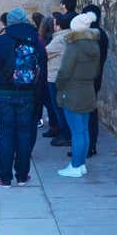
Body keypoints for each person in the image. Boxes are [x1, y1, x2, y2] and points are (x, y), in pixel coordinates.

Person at [0, 7, 47, 188]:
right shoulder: (36, 41)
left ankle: (4, 177)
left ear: (9, 22)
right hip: (28, 94)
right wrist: (39, 97)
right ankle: (22, 175)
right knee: (25, 134)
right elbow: (42, 71)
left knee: (6, 135)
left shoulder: (1, 40)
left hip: (3, 94)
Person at [56, 12, 100, 178]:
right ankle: (81, 164)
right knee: (84, 130)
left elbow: (64, 71)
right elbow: (95, 70)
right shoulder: (94, 45)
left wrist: (60, 87)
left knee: (76, 132)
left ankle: (75, 165)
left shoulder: (74, 47)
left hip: (73, 91)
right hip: (88, 89)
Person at [82, 4, 109, 157]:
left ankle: (89, 146)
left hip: (88, 80)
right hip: (95, 79)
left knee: (88, 115)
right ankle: (89, 145)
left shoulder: (94, 35)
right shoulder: (101, 34)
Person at [46, 12, 74, 146]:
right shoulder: (69, 36)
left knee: (58, 107)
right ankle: (66, 133)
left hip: (54, 77)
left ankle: (65, 135)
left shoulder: (59, 39)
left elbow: (44, 53)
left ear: (58, 26)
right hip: (64, 76)